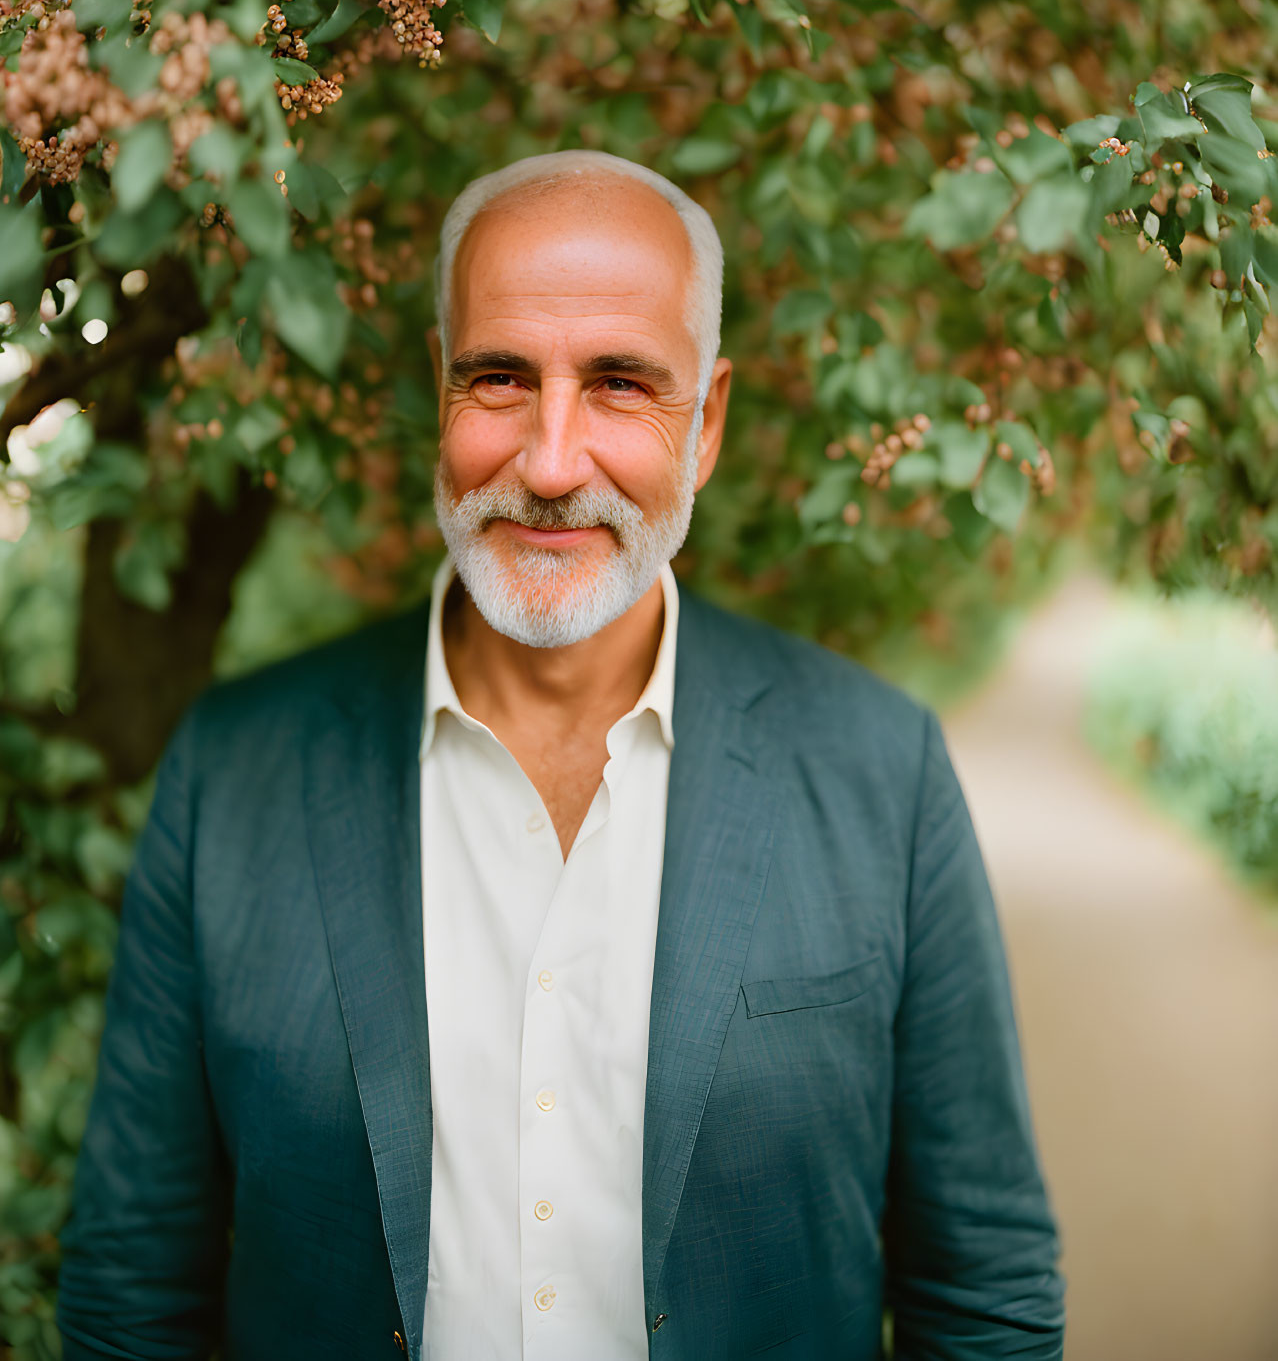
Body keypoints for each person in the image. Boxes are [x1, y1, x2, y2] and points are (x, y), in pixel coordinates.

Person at [56, 149, 1065, 1361]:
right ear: (440, 388)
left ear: (707, 424)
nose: (547, 462)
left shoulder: (880, 772)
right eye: (498, 378)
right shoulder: (232, 772)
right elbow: (132, 1284)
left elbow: (986, 1285)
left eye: (622, 384)